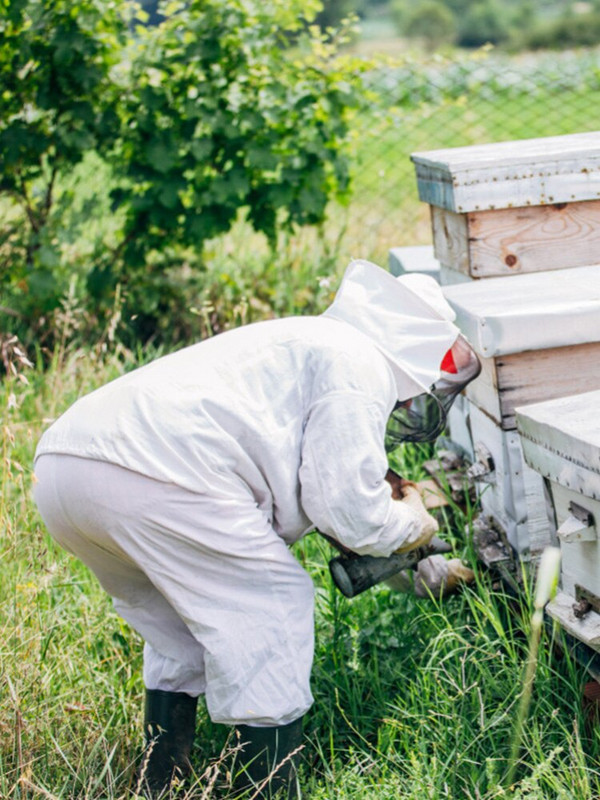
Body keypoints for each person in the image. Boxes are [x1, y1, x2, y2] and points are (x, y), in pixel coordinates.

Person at [32, 259, 480, 798]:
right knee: (274, 604)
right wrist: (414, 521)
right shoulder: (357, 366)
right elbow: (350, 512)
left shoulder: (304, 343)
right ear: (415, 353)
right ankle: (264, 789)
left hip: (67, 469)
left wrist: (424, 573)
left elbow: (324, 501)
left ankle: (161, 781)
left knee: (184, 622)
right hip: (153, 474)